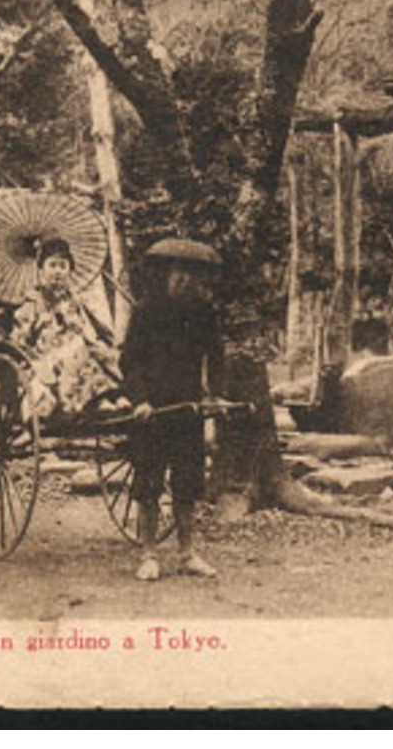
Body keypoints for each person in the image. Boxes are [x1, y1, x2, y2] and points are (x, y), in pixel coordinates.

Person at [118, 239, 226, 582]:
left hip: (188, 410)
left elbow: (217, 357)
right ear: (167, 274)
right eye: (179, 274)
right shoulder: (147, 310)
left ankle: (186, 553)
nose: (184, 281)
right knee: (149, 484)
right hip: (151, 411)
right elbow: (129, 359)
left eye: (192, 276)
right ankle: (149, 554)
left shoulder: (204, 312)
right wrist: (139, 401)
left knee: (187, 484)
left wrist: (216, 396)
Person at [11, 238, 113, 416]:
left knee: (102, 354)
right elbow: (20, 339)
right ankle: (83, 403)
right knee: (74, 357)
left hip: (74, 348)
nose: (57, 271)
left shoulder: (73, 299)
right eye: (52, 265)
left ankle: (103, 398)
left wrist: (82, 333)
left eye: (63, 266)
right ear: (41, 269)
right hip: (43, 355)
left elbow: (83, 330)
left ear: (69, 270)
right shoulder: (32, 301)